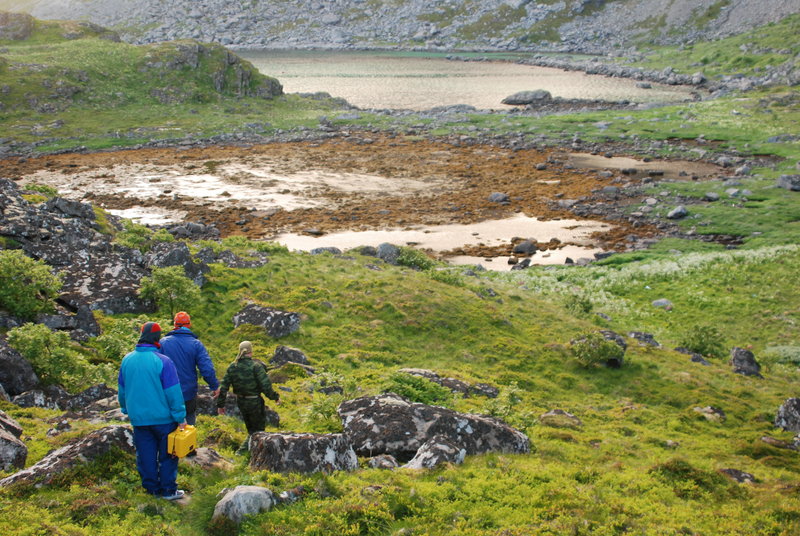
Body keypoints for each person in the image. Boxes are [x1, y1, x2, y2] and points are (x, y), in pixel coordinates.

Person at [118, 321, 187, 500]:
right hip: (164, 419)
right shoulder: (163, 361)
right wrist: (180, 417)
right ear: (157, 338)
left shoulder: (127, 360)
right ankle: (169, 491)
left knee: (145, 456)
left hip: (139, 419)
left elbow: (122, 390)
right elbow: (173, 392)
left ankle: (152, 491)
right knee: (168, 456)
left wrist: (126, 408)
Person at [216, 341, 280, 453]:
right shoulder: (256, 367)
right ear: (251, 351)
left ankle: (250, 451)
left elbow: (224, 387)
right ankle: (242, 453)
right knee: (258, 431)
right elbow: (265, 386)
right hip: (254, 402)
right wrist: (275, 397)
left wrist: (220, 405)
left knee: (251, 429)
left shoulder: (232, 366)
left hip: (241, 401)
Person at [159, 311, 220, 426]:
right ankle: (187, 442)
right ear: (189, 325)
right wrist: (214, 386)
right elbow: (206, 368)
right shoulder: (196, 344)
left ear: (175, 325)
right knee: (189, 422)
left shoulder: (163, 343)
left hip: (166, 393)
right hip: (188, 393)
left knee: (167, 425)